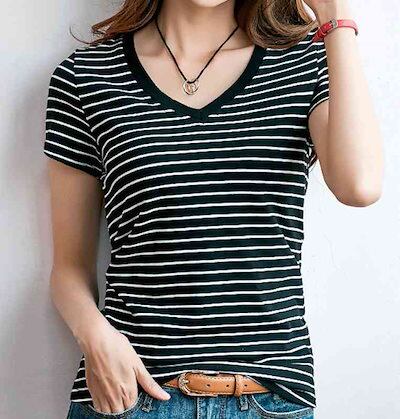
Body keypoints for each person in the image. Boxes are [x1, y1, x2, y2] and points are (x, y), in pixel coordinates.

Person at [43, 0, 383, 418]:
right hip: (131, 395)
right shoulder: (87, 76)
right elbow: (68, 270)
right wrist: (96, 338)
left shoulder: (306, 63)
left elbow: (360, 186)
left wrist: (336, 17)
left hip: (270, 400)